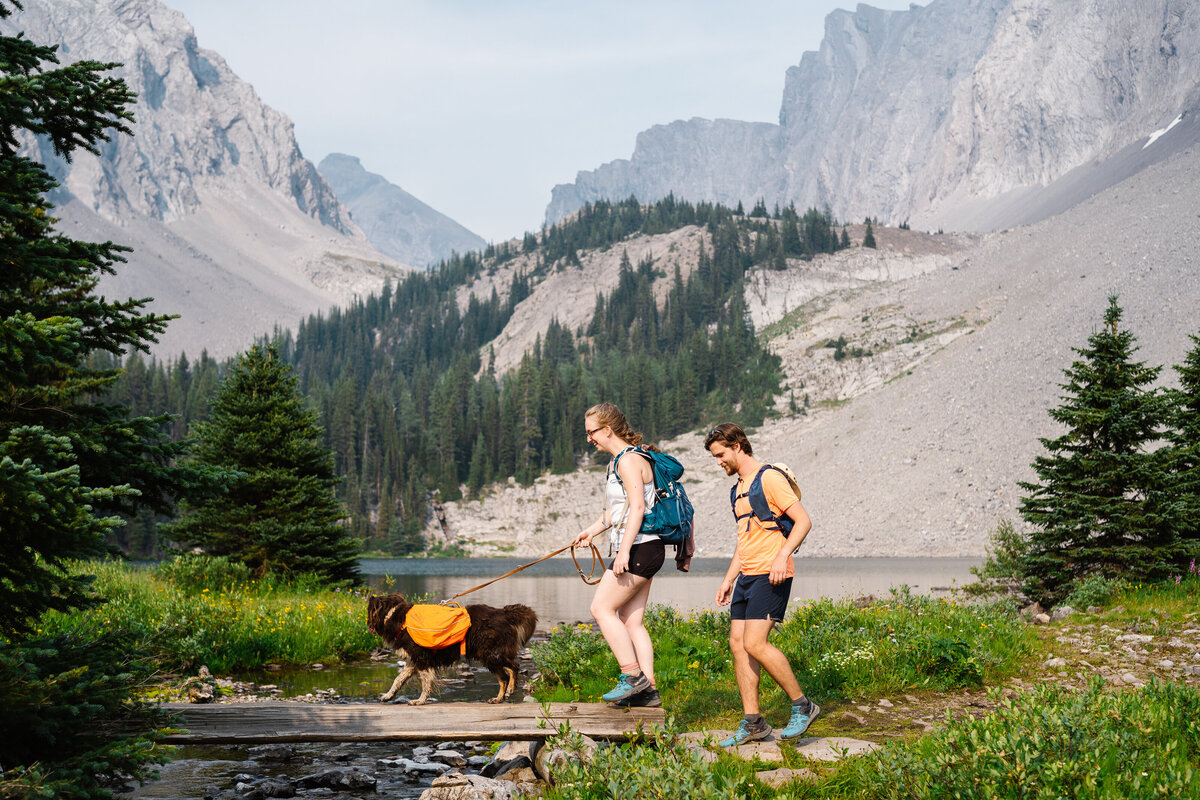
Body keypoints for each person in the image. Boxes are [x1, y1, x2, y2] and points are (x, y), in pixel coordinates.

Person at [704, 422, 819, 746]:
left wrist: (783, 556)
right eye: (715, 457)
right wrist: (728, 580)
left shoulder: (769, 478)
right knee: (738, 645)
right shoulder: (737, 489)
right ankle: (753, 723)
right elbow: (746, 540)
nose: (718, 462)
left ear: (738, 446)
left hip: (772, 574)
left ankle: (803, 705)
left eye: (721, 454)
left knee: (755, 644)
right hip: (746, 576)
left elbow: (803, 520)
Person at [572, 402, 664, 708]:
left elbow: (638, 507)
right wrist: (591, 531)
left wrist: (623, 551)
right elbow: (616, 513)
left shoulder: (628, 461)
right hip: (645, 547)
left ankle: (632, 676)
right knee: (631, 621)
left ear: (607, 430)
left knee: (601, 609)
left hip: (639, 547)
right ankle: (648, 691)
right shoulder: (619, 462)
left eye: (591, 433)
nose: (589, 439)